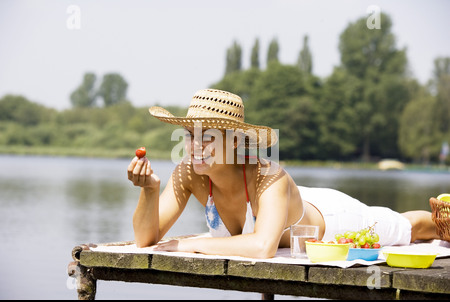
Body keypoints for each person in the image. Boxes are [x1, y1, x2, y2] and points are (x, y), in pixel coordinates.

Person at [127, 89, 439, 259]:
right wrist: (150, 191)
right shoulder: (188, 174)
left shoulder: (268, 175)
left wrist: (190, 243)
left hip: (331, 220)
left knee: (410, 227)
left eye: (206, 137)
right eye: (189, 135)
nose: (194, 146)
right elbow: (145, 239)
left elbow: (263, 248)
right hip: (291, 205)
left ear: (235, 141)